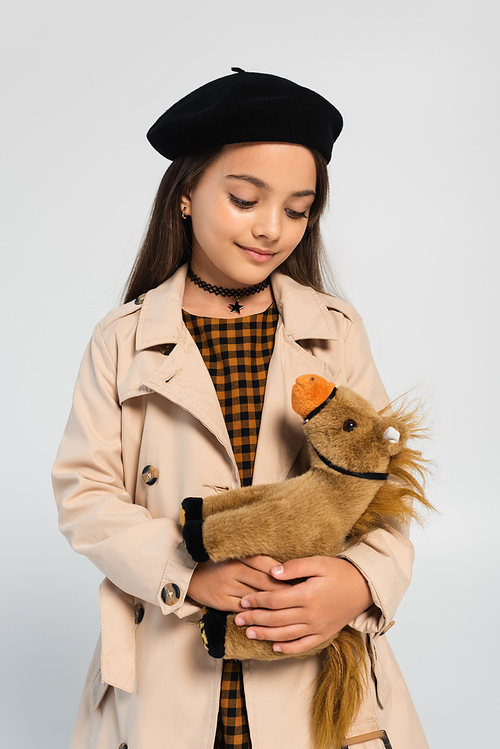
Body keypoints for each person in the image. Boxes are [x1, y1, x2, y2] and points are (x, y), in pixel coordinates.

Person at [52, 68, 429, 749]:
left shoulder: (335, 329)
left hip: (314, 663)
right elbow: (85, 493)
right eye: (246, 198)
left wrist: (356, 581)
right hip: (172, 667)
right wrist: (190, 568)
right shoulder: (122, 339)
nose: (271, 228)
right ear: (187, 194)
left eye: (297, 207)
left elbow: (383, 489)